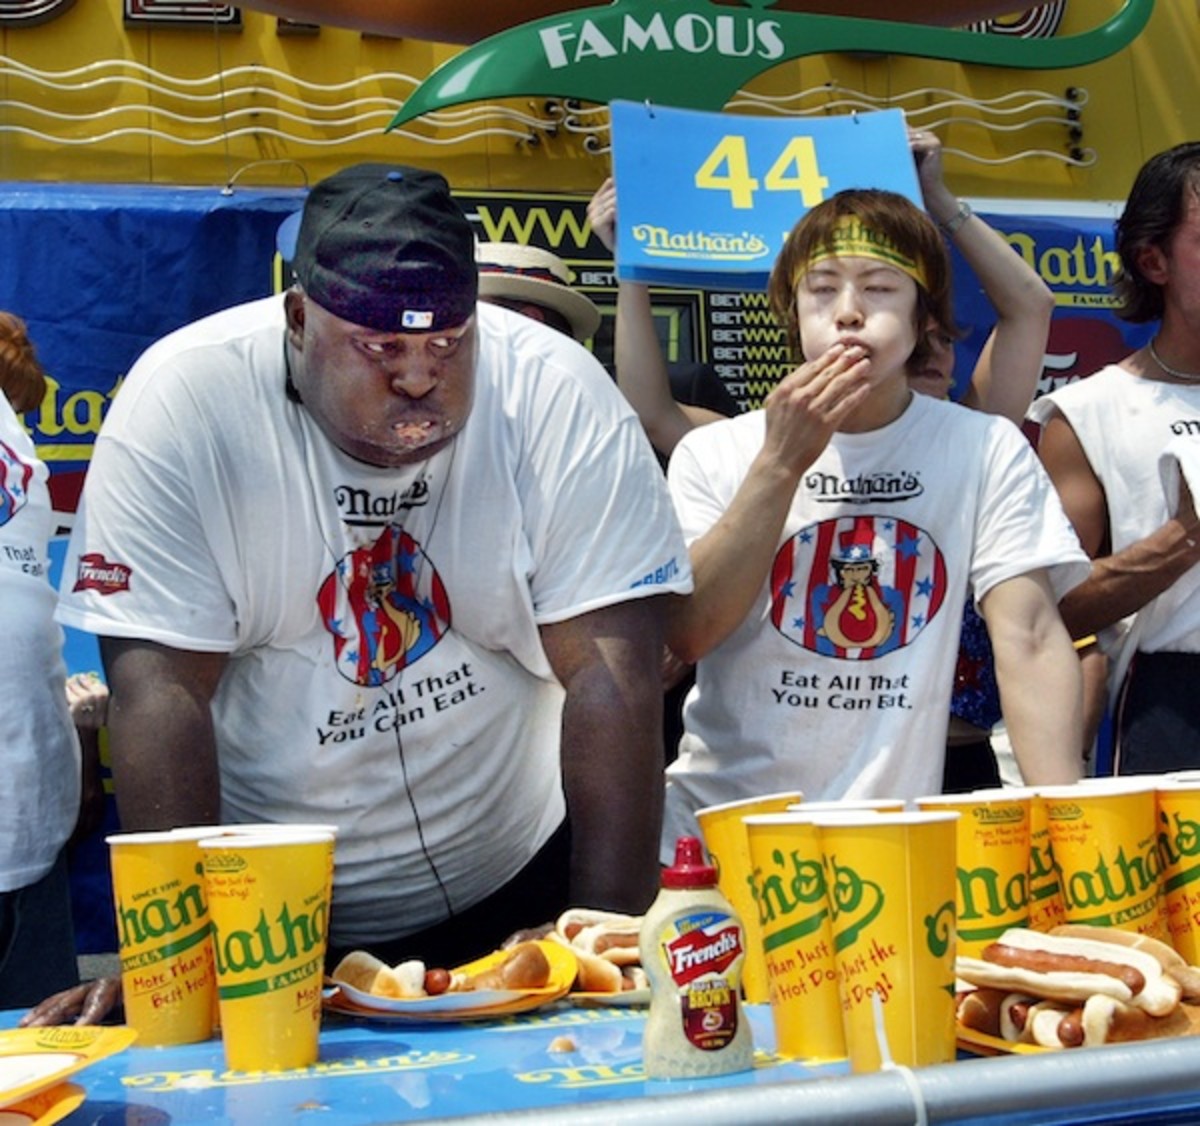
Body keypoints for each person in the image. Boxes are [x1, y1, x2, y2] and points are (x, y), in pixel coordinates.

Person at [28, 162, 690, 1024]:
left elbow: (612, 676)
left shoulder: (555, 388)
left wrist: (602, 941)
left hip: (516, 866)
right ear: (299, 318)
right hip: (271, 910)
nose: (417, 379)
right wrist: (178, 969)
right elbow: (161, 695)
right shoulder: (185, 399)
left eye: (446, 346)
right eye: (379, 349)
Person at [658, 187, 1088, 848]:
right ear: (791, 312)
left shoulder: (982, 447)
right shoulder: (716, 451)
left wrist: (1068, 825)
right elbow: (689, 632)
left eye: (881, 288)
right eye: (822, 290)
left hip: (895, 840)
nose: (849, 313)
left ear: (924, 320)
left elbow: (1029, 637)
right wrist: (778, 464)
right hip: (722, 829)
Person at [1030, 142, 1200, 774]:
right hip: (1171, 701)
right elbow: (1056, 606)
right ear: (1153, 259)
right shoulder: (1088, 413)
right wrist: (1188, 535)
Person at [0, 311, 84, 1009]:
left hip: (27, 775)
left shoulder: (18, 451)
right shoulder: (22, 457)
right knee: (43, 1060)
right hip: (28, 776)